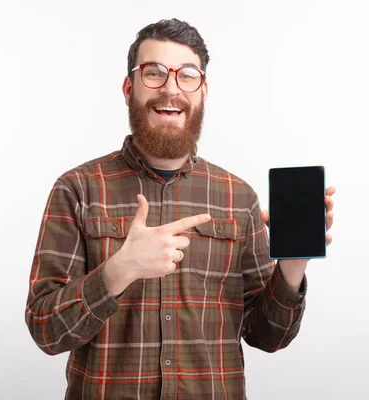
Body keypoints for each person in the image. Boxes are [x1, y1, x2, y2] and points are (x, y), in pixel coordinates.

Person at [25, 18, 336, 400]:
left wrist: (292, 268)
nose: (171, 89)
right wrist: (119, 271)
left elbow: (267, 336)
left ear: (202, 91)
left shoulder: (239, 199)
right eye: (153, 73)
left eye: (187, 75)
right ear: (129, 88)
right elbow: (45, 329)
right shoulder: (77, 189)